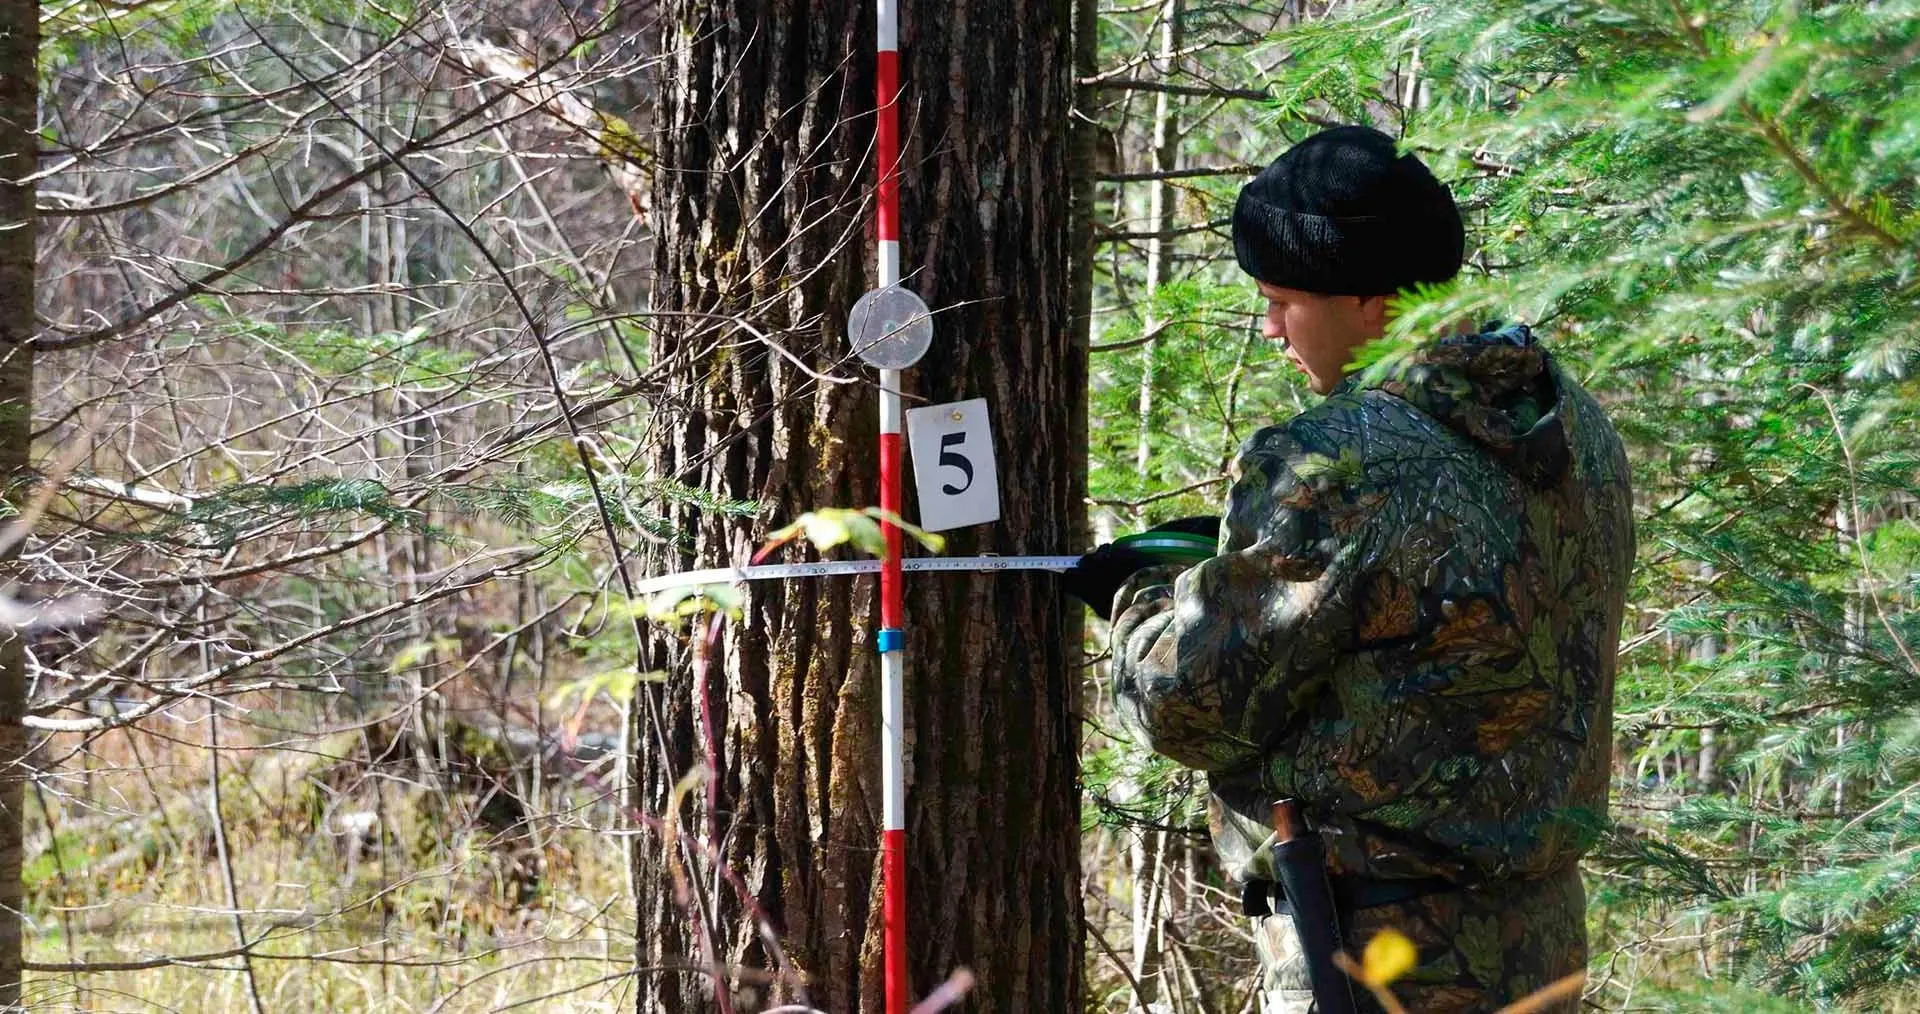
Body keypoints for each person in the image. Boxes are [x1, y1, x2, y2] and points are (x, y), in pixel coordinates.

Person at [1069, 125, 1635, 1013]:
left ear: (1371, 298)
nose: (1270, 331)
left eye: (1282, 300)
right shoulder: (1570, 423)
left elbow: (1192, 706)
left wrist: (1137, 598)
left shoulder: (1344, 458)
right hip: (1542, 940)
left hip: (1374, 955)